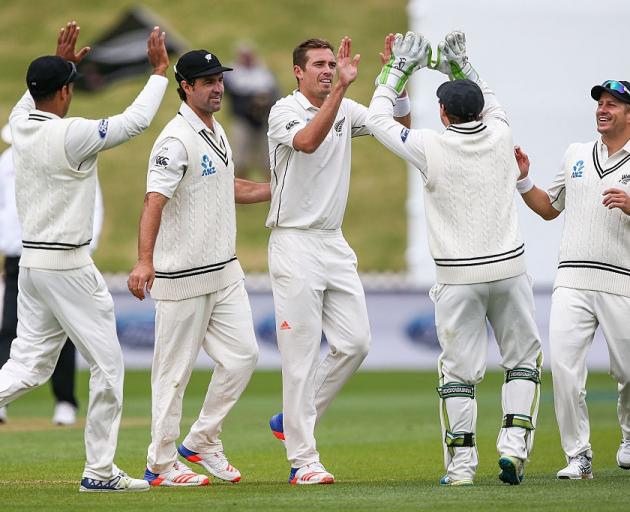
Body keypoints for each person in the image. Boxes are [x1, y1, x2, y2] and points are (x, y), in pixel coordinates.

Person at [365, 31, 542, 486]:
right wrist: (459, 64)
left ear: (443, 113)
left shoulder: (431, 145)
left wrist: (397, 69)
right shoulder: (502, 133)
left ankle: (462, 468)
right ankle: (514, 446)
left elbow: (378, 117)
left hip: (458, 278)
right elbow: (491, 95)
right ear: (479, 110)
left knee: (458, 374)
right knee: (522, 361)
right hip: (509, 271)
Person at [0, 21, 169, 492]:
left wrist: (63, 63)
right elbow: (134, 122)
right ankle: (99, 472)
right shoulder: (71, 134)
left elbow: (32, 93)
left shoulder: (19, 123)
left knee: (29, 366)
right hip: (68, 266)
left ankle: (100, 470)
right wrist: (158, 73)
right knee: (108, 365)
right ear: (65, 93)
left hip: (31, 264)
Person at [266, 35, 410, 485]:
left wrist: (397, 81)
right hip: (293, 241)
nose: (328, 71)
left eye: (333, 64)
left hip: (333, 240)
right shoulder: (283, 111)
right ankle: (303, 461)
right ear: (299, 71)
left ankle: (288, 420)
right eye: (319, 65)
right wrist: (344, 90)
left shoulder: (346, 107)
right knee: (301, 356)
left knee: (356, 342)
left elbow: (397, 127)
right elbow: (307, 142)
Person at [127, 49, 270, 487]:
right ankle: (160, 465)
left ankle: (204, 438)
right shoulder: (174, 140)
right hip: (182, 277)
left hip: (224, 273)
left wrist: (281, 189)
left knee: (244, 356)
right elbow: (154, 201)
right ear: (186, 87)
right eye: (207, 81)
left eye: (219, 80)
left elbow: (232, 187)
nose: (217, 88)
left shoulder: (218, 130)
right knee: (172, 376)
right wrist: (145, 261)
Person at [514, 80, 630, 479]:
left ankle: (629, 437)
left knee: (628, 371)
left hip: (623, 282)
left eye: (612, 104)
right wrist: (524, 181)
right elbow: (550, 208)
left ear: (629, 114)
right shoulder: (576, 154)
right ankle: (578, 457)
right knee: (564, 370)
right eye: (600, 103)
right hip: (572, 280)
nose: (602, 109)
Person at [0, 123, 104, 426]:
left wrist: (86, 245)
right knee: (9, 328)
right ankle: (3, 399)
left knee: (64, 327)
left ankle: (65, 400)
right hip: (18, 255)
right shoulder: (6, 163)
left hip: (58, 253)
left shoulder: (65, 156)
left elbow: (92, 204)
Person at [223, 41, 279, 178]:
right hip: (242, 120)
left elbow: (274, 94)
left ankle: (271, 191)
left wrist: (263, 102)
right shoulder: (232, 73)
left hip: (262, 120)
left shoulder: (263, 73)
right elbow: (232, 93)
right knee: (240, 159)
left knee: (267, 159)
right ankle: (239, 190)